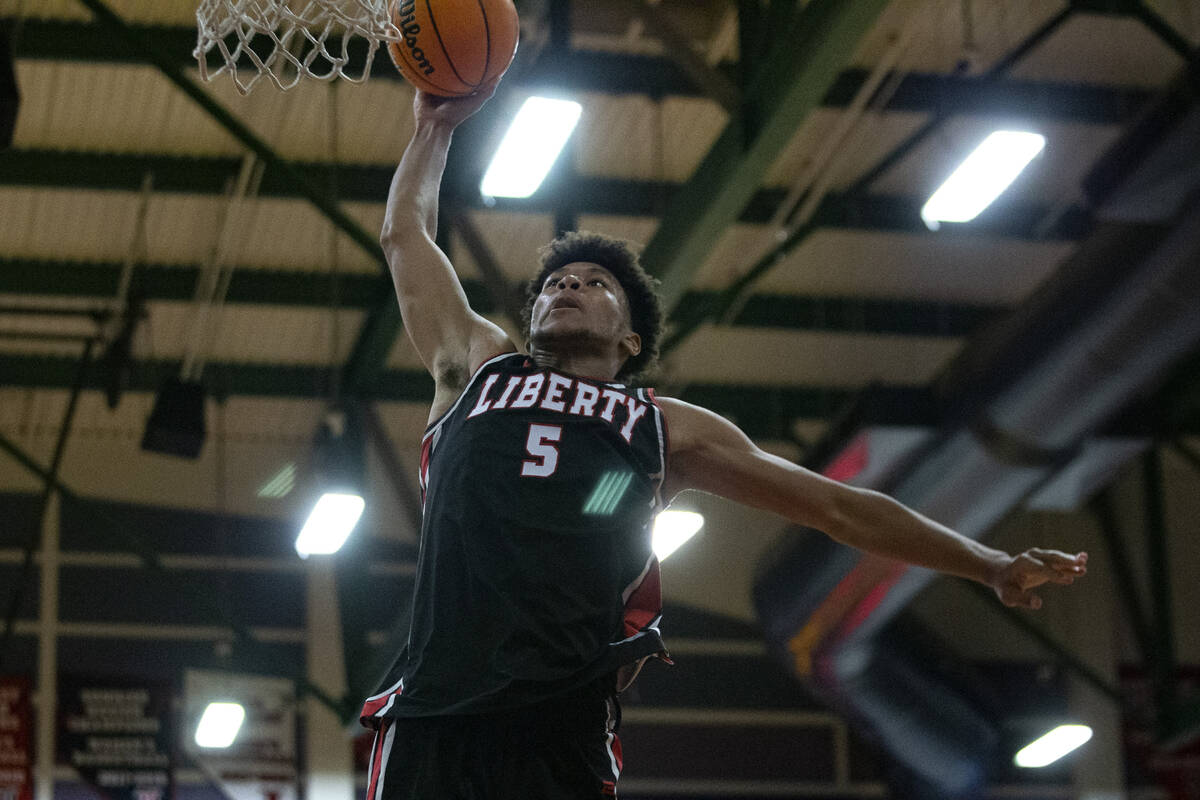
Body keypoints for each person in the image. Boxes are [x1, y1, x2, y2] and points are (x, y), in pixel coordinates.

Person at [358, 82, 1088, 800]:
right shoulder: (476, 366)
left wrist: (987, 563)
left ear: (630, 337)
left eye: (593, 283)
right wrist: (436, 127)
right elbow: (404, 237)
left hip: (560, 721)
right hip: (433, 715)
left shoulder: (666, 425)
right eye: (553, 283)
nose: (566, 286)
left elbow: (841, 510)